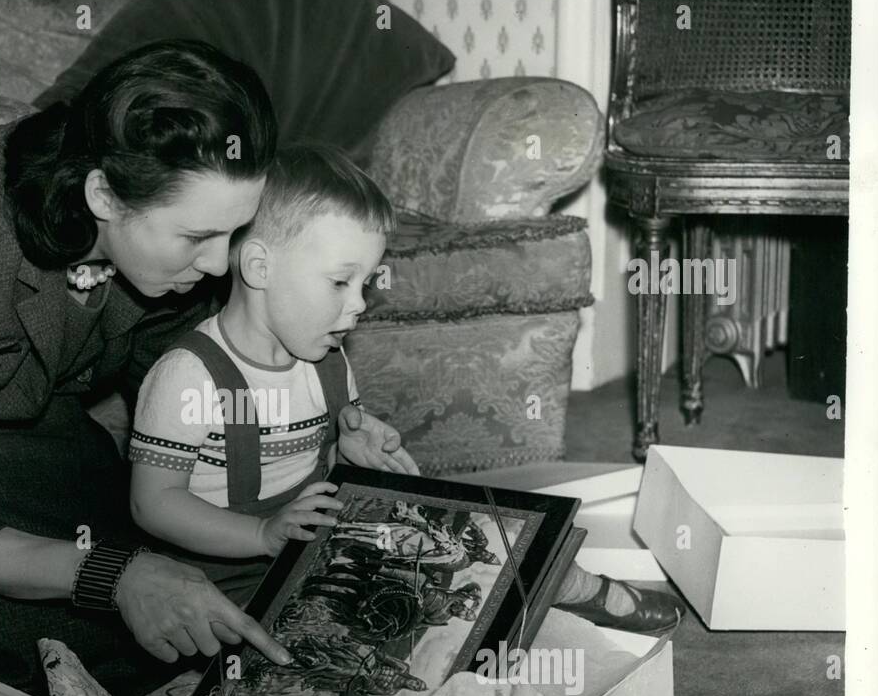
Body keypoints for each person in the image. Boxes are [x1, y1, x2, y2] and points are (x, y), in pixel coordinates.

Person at [0, 41, 410, 696]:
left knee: (167, 601)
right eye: (196, 239)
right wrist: (116, 577)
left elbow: (188, 378)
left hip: (21, 407)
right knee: (1, 671)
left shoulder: (166, 231)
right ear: (103, 195)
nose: (219, 267)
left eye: (234, 235)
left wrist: (323, 432)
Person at [127, 144, 684, 632]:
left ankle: (577, 588)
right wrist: (262, 534)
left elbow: (334, 440)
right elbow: (153, 504)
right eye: (340, 281)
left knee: (483, 534)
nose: (360, 303)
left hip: (314, 543)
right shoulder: (187, 374)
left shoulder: (324, 355)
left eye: (366, 283)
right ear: (259, 266)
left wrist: (354, 445)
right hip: (224, 582)